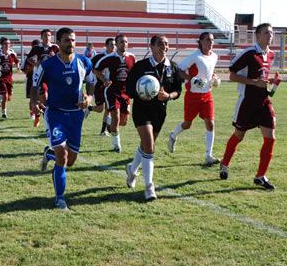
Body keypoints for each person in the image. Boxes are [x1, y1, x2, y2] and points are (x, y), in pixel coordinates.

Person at [30, 27, 95, 210]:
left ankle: (48, 154)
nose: (71, 44)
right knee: (63, 155)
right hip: (55, 113)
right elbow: (35, 85)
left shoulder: (84, 62)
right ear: (58, 43)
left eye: (73, 40)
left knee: (70, 160)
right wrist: (34, 101)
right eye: (67, 40)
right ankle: (60, 199)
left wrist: (89, 98)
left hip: (76, 115)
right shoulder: (48, 65)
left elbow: (91, 82)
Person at [219, 23, 279, 190]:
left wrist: (271, 82)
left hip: (264, 102)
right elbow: (231, 75)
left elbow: (262, 78)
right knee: (239, 135)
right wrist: (254, 83)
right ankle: (224, 164)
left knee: (271, 138)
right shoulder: (249, 53)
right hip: (247, 103)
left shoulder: (271, 54)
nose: (270, 36)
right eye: (266, 33)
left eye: (272, 33)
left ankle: (260, 176)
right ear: (257, 36)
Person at [125, 35, 182, 201]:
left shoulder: (173, 67)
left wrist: (168, 96)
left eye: (166, 43)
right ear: (151, 47)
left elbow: (178, 90)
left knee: (146, 145)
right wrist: (141, 94)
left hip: (160, 112)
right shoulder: (141, 66)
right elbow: (128, 88)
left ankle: (132, 169)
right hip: (142, 110)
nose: (164, 46)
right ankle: (149, 187)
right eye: (160, 43)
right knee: (150, 147)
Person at [168, 32, 220, 166]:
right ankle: (173, 135)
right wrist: (191, 79)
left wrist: (214, 78)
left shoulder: (214, 56)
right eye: (208, 40)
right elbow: (178, 70)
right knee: (187, 124)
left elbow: (210, 71)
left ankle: (208, 155)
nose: (211, 42)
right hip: (192, 96)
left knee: (210, 123)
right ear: (201, 41)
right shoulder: (194, 57)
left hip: (207, 94)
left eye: (212, 40)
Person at [94, 34, 136, 153]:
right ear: (116, 44)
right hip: (112, 91)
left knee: (123, 122)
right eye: (121, 42)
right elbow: (95, 69)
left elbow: (134, 73)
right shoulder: (109, 58)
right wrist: (104, 80)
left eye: (126, 42)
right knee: (116, 118)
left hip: (126, 93)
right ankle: (116, 146)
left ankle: (109, 122)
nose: (124, 44)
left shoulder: (132, 58)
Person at [24, 29, 59, 127]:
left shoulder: (55, 47)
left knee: (49, 100)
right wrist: (36, 63)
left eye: (49, 35)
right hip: (40, 76)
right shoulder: (37, 48)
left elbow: (61, 59)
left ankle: (40, 115)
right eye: (45, 35)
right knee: (44, 98)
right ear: (42, 37)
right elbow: (28, 59)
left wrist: (54, 58)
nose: (47, 37)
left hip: (52, 76)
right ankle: (46, 120)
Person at [88, 37, 116, 136]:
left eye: (114, 45)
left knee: (109, 108)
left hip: (111, 86)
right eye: (111, 45)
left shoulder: (116, 57)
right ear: (106, 46)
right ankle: (89, 108)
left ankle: (104, 131)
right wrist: (104, 79)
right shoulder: (99, 57)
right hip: (99, 85)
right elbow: (93, 69)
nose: (113, 47)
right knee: (100, 109)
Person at [0, 37, 20, 118]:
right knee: (5, 96)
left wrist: (18, 67)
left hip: (9, 77)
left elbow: (17, 61)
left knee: (9, 97)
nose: (7, 45)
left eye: (8, 43)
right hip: (0, 77)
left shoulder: (12, 53)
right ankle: (4, 113)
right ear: (2, 44)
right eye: (5, 43)